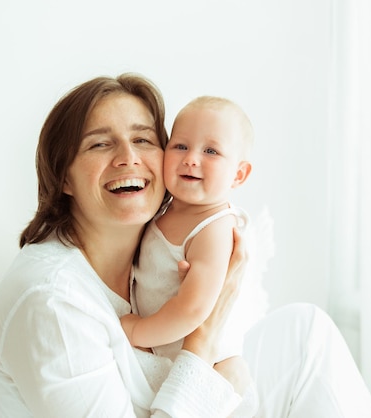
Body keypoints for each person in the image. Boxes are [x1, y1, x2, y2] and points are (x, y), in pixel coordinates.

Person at [0, 73, 371, 417]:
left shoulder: (158, 247)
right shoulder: (52, 304)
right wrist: (202, 337)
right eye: (101, 144)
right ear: (63, 177)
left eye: (145, 140)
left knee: (306, 332)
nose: (128, 157)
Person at [120, 95, 259, 415]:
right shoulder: (162, 210)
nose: (191, 159)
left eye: (211, 151)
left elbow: (195, 307)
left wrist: (139, 330)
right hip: (176, 360)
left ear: (238, 175)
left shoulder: (215, 227)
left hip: (217, 375)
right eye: (180, 146)